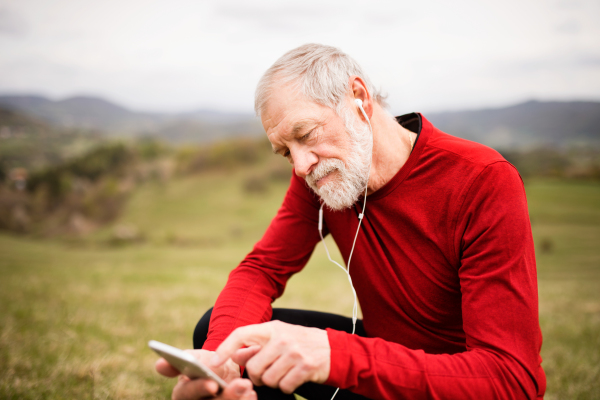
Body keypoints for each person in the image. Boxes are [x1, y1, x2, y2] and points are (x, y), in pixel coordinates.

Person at [156, 43, 546, 400]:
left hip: (451, 385)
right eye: (285, 153)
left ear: (358, 97)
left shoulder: (482, 179)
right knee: (230, 336)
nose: (301, 164)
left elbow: (512, 380)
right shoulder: (321, 176)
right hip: (374, 367)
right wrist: (220, 357)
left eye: (306, 134)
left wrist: (337, 355)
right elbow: (262, 269)